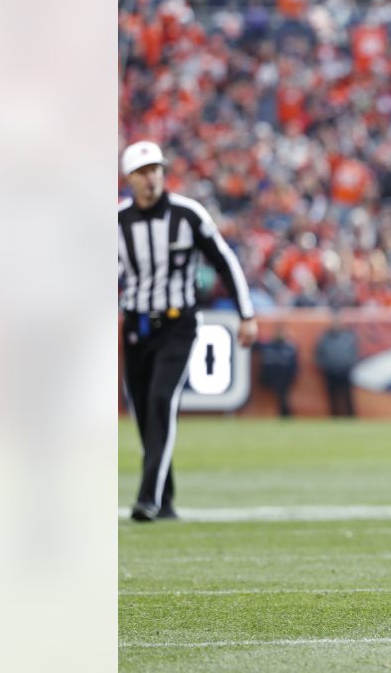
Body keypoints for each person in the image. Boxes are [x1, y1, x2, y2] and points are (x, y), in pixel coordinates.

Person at [118, 141, 258, 522]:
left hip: (179, 325)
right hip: (135, 328)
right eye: (143, 173)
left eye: (156, 170)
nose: (151, 179)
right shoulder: (117, 222)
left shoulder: (187, 214)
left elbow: (225, 261)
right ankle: (165, 498)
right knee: (145, 413)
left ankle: (147, 498)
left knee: (162, 400)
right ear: (129, 178)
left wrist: (247, 313)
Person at [316, 309, 359, 417]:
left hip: (345, 371)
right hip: (330, 371)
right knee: (332, 396)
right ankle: (335, 416)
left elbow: (354, 352)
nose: (336, 324)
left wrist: (349, 364)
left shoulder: (348, 336)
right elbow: (319, 354)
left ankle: (350, 416)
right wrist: (326, 365)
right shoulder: (325, 337)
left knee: (347, 396)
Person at [257, 325, 299, 418]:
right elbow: (256, 345)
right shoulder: (268, 345)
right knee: (281, 397)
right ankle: (285, 414)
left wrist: (293, 376)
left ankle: (285, 414)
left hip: (284, 377)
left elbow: (294, 364)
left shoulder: (289, 347)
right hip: (271, 376)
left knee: (282, 397)